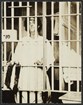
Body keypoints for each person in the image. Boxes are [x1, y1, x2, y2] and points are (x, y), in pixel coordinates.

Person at [5, 17, 54, 103]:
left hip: (38, 73)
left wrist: (43, 61)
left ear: (38, 25)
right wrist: (13, 61)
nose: (31, 24)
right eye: (29, 22)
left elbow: (50, 58)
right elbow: (16, 57)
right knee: (23, 96)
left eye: (34, 22)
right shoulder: (23, 41)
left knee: (38, 96)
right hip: (25, 73)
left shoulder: (44, 41)